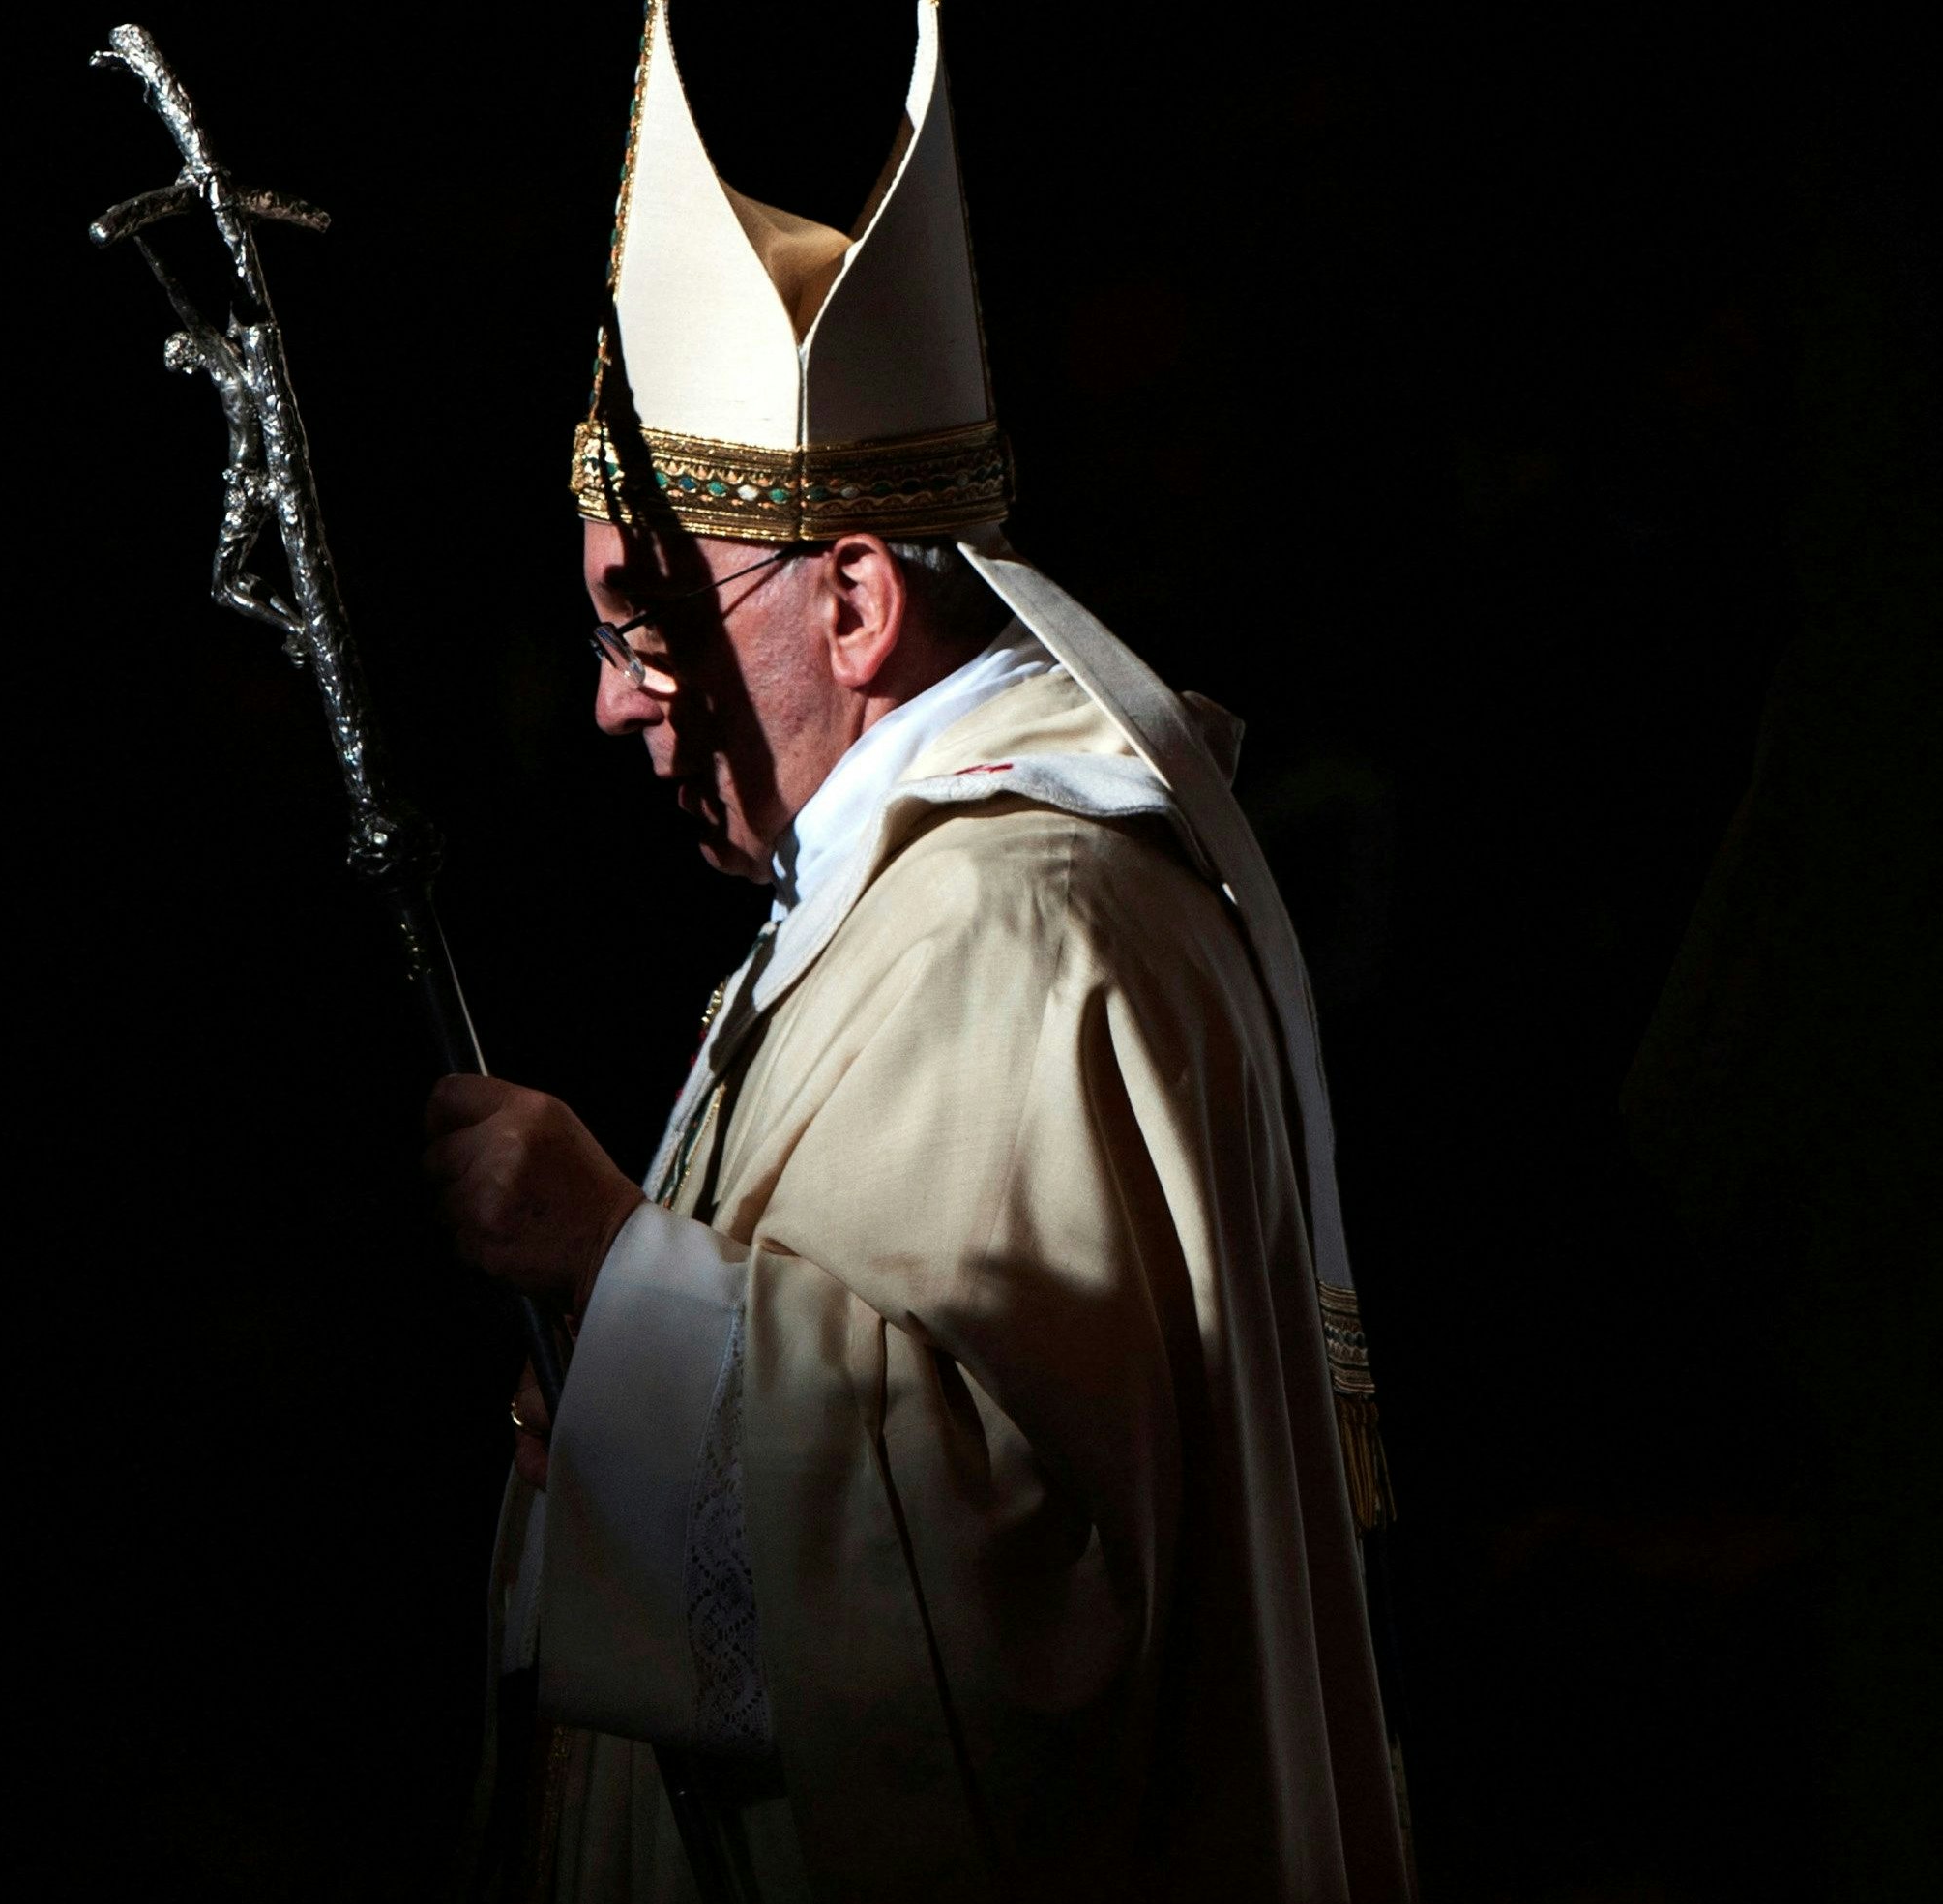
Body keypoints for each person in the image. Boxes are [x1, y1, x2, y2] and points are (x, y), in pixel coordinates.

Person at [425, 6, 1408, 1897]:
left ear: (855, 596)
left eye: (646, 619)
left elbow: (1019, 1613)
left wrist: (617, 1284)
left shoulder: (1019, 944)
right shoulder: (884, 900)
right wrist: (613, 1391)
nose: (621, 706)